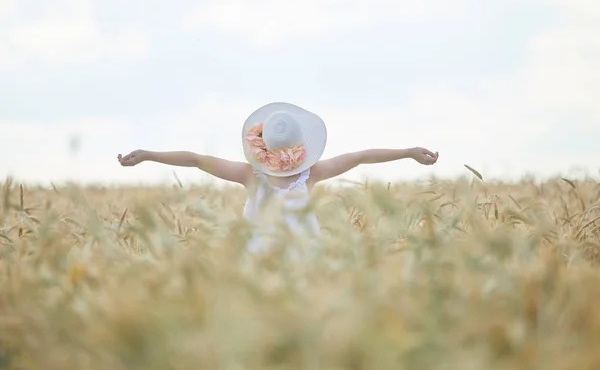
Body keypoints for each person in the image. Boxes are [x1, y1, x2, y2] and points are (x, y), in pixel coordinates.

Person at [117, 102, 439, 254]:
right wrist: (148, 154)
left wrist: (408, 152)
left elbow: (197, 160)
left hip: (279, 260)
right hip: (286, 260)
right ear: (303, 146)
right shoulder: (308, 175)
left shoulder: (252, 175)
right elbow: (361, 157)